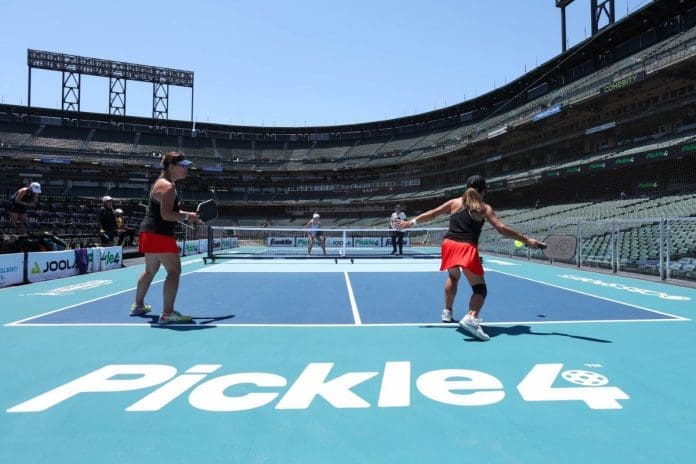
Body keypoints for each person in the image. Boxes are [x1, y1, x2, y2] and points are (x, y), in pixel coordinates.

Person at [398, 174, 545, 341]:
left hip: (448, 244)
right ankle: (472, 317)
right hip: (465, 247)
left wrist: (411, 223)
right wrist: (526, 240)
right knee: (480, 288)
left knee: (453, 277)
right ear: (484, 191)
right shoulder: (484, 208)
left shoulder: (455, 203)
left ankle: (447, 312)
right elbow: (502, 229)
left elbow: (433, 214)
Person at [132, 152, 199, 324]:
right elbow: (167, 215)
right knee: (174, 272)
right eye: (183, 166)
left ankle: (138, 306)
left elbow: (166, 212)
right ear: (172, 167)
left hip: (149, 232)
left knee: (149, 271)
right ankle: (168, 313)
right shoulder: (169, 187)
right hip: (160, 234)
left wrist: (186, 214)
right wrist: (185, 216)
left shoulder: (160, 183)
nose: (186, 169)